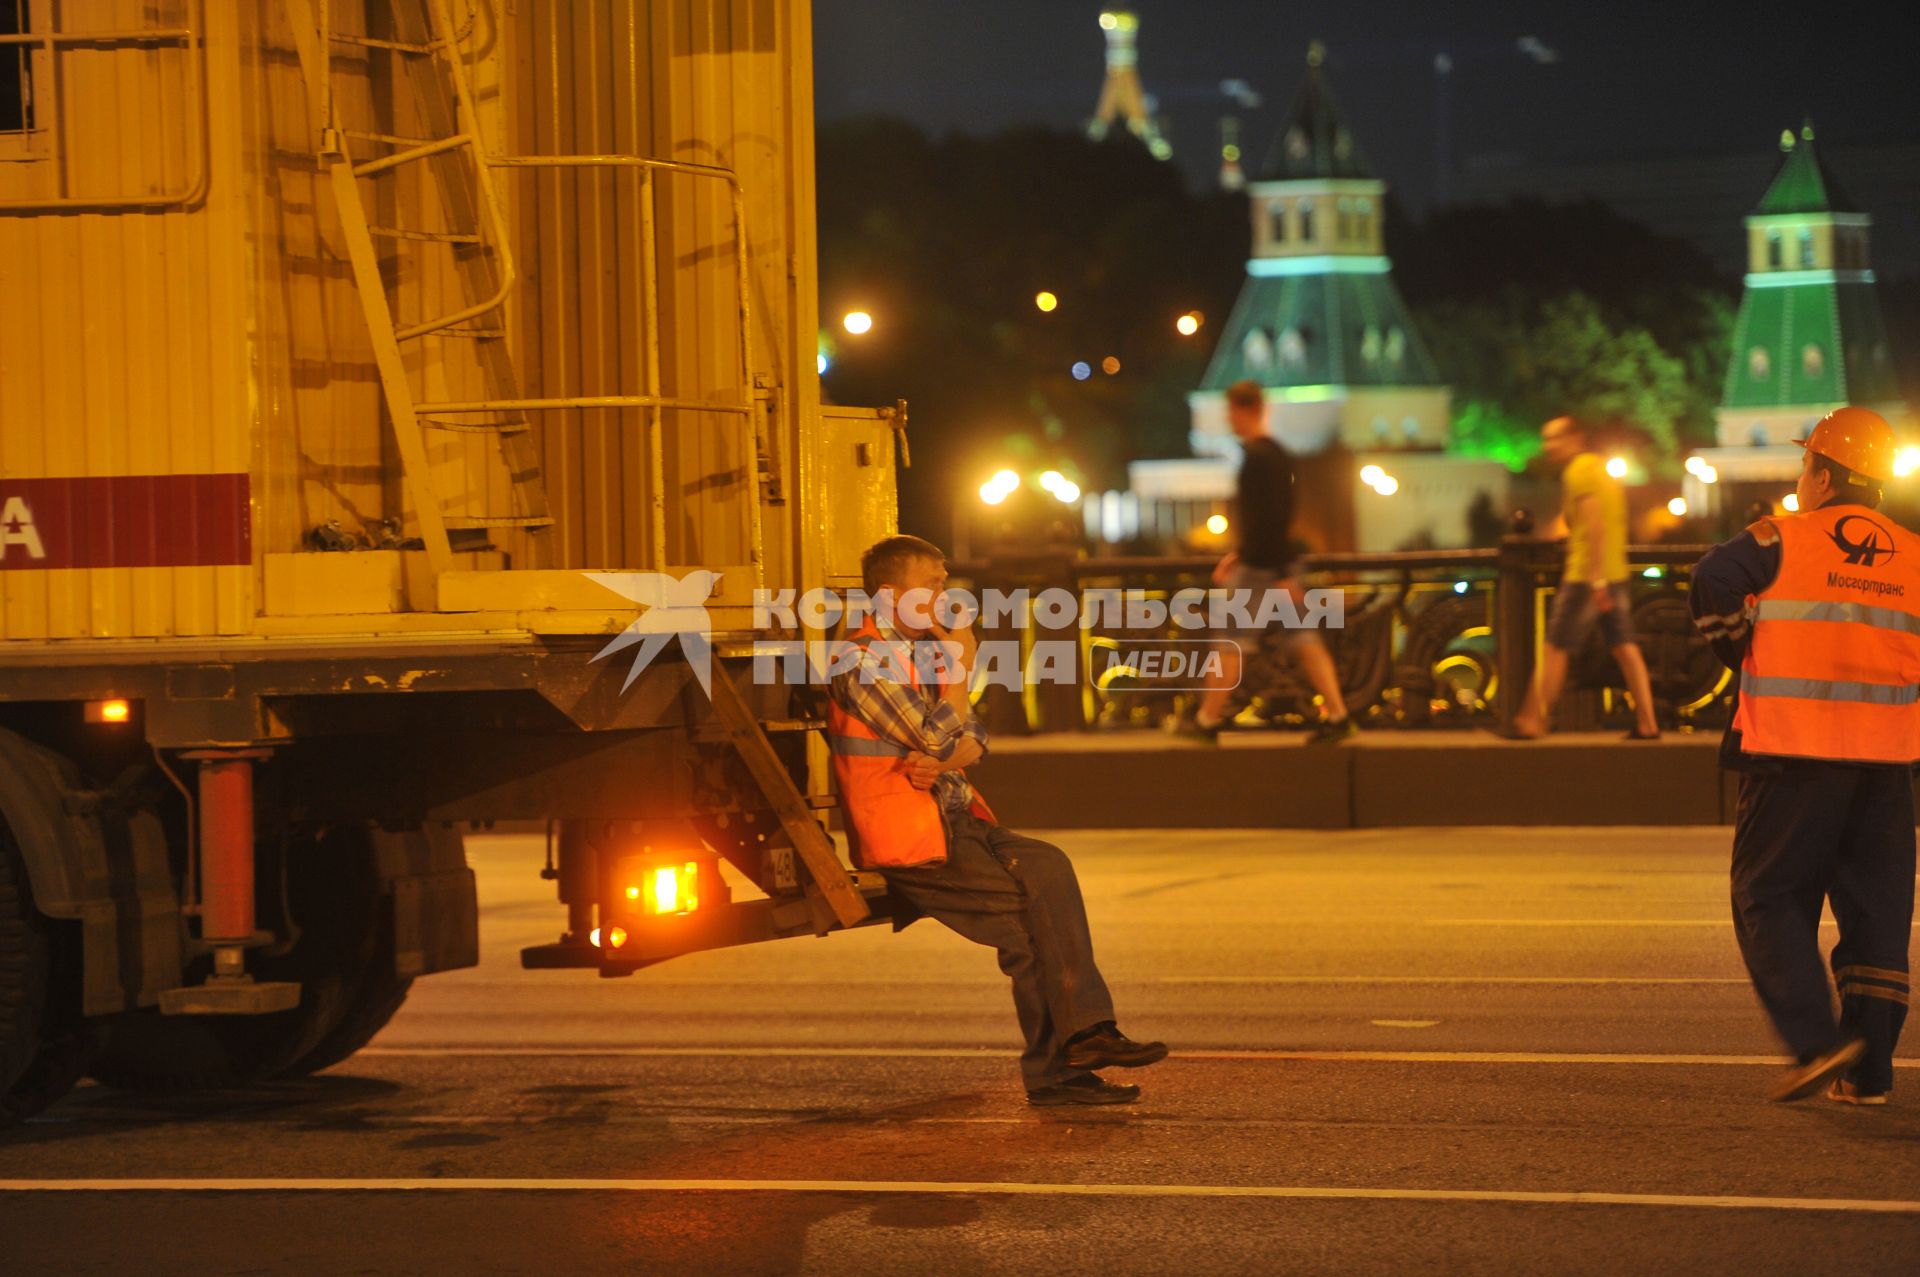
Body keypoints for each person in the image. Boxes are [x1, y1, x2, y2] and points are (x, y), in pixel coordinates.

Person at [827, 535, 1167, 1106]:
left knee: (1050, 866)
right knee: (1029, 938)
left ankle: (1086, 1037)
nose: (945, 593)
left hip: (954, 813)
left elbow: (970, 735)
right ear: (890, 594)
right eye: (932, 583)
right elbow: (937, 731)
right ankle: (1065, 1062)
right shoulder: (862, 658)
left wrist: (955, 749)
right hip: (911, 835)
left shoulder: (917, 649)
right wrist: (959, 669)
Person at [1688, 406, 1916, 1104]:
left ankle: (1818, 1042)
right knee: (1877, 915)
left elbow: (1712, 581)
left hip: (1792, 750)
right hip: (1889, 761)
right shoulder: (1912, 551)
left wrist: (1743, 650)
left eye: (1803, 467)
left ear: (1821, 474)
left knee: (1769, 895)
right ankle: (1870, 1072)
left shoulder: (1780, 537)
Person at [1181, 379, 1353, 743]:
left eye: (1231, 412)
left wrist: (1263, 566)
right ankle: (1338, 715)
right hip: (1278, 565)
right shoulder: (1279, 455)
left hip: (1262, 572)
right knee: (1304, 639)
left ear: (1245, 411)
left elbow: (1265, 519)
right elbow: (1280, 516)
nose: (1229, 420)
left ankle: (1207, 720)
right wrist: (1263, 563)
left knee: (1230, 642)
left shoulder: (1256, 459)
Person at [1512, 416, 1661, 740]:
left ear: (1575, 439)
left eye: (1555, 439)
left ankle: (1533, 720)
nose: (1548, 446)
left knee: (1554, 647)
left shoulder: (1578, 472)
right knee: (1625, 647)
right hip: (1615, 571)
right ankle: (1648, 723)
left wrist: (1594, 581)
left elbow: (1594, 524)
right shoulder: (1602, 471)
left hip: (1586, 575)